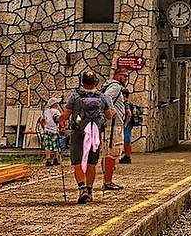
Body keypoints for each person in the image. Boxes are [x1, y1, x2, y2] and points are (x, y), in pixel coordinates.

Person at [59, 70, 114, 204]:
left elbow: (65, 116)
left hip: (78, 133)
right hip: (95, 134)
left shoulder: (75, 97)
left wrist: (57, 119)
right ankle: (89, 190)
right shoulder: (102, 97)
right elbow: (109, 115)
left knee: (78, 162)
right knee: (91, 163)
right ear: (96, 82)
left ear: (82, 82)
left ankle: (82, 188)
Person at [100, 69, 130, 192]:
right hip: (113, 125)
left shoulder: (107, 85)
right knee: (112, 153)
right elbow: (106, 97)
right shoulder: (116, 87)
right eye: (125, 76)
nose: (126, 78)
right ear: (118, 75)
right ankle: (107, 182)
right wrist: (111, 110)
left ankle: (107, 179)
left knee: (107, 153)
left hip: (110, 125)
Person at [39, 97, 62, 167]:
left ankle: (48, 159)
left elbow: (42, 120)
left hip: (47, 130)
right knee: (55, 145)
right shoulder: (56, 111)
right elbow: (59, 119)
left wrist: (44, 127)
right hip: (54, 130)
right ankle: (56, 159)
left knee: (47, 146)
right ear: (55, 104)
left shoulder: (46, 111)